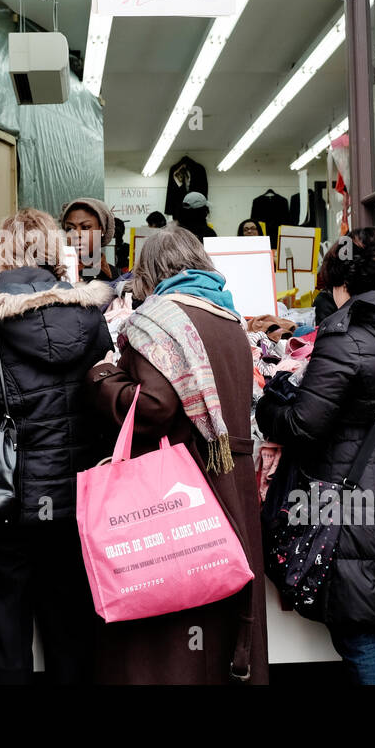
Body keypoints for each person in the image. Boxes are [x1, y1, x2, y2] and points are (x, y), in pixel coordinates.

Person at [256, 227, 375, 685]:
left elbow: (303, 424)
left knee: (356, 631)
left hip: (349, 503)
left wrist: (269, 401)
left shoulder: (345, 338)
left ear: (344, 282)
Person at [87, 227, 268, 684]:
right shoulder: (227, 316)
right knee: (221, 603)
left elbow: (155, 406)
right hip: (231, 481)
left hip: (179, 488)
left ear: (150, 271)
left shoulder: (159, 319)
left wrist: (105, 377)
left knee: (172, 617)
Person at [0, 208, 114, 683]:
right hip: (72, 499)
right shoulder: (89, 314)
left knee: (6, 637)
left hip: (6, 499)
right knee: (70, 635)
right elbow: (105, 387)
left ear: (4, 251)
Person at [61, 197, 117, 281]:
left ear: (101, 230)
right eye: (70, 228)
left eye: (86, 227)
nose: (77, 234)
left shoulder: (118, 278)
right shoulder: (55, 277)